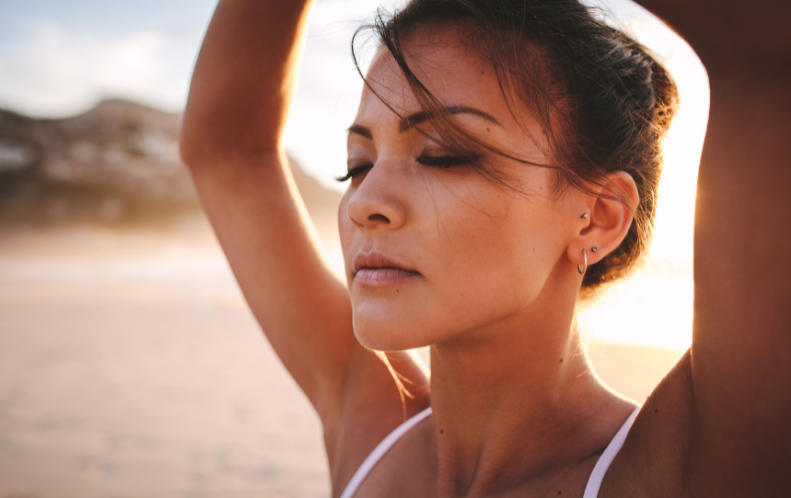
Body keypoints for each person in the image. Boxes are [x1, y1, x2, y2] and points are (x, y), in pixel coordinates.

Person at [179, 0, 791, 495]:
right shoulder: (374, 438)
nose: (366, 203)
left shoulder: (686, 469)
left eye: (445, 156)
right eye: (358, 165)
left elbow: (767, 56)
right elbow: (228, 145)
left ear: (597, 219)